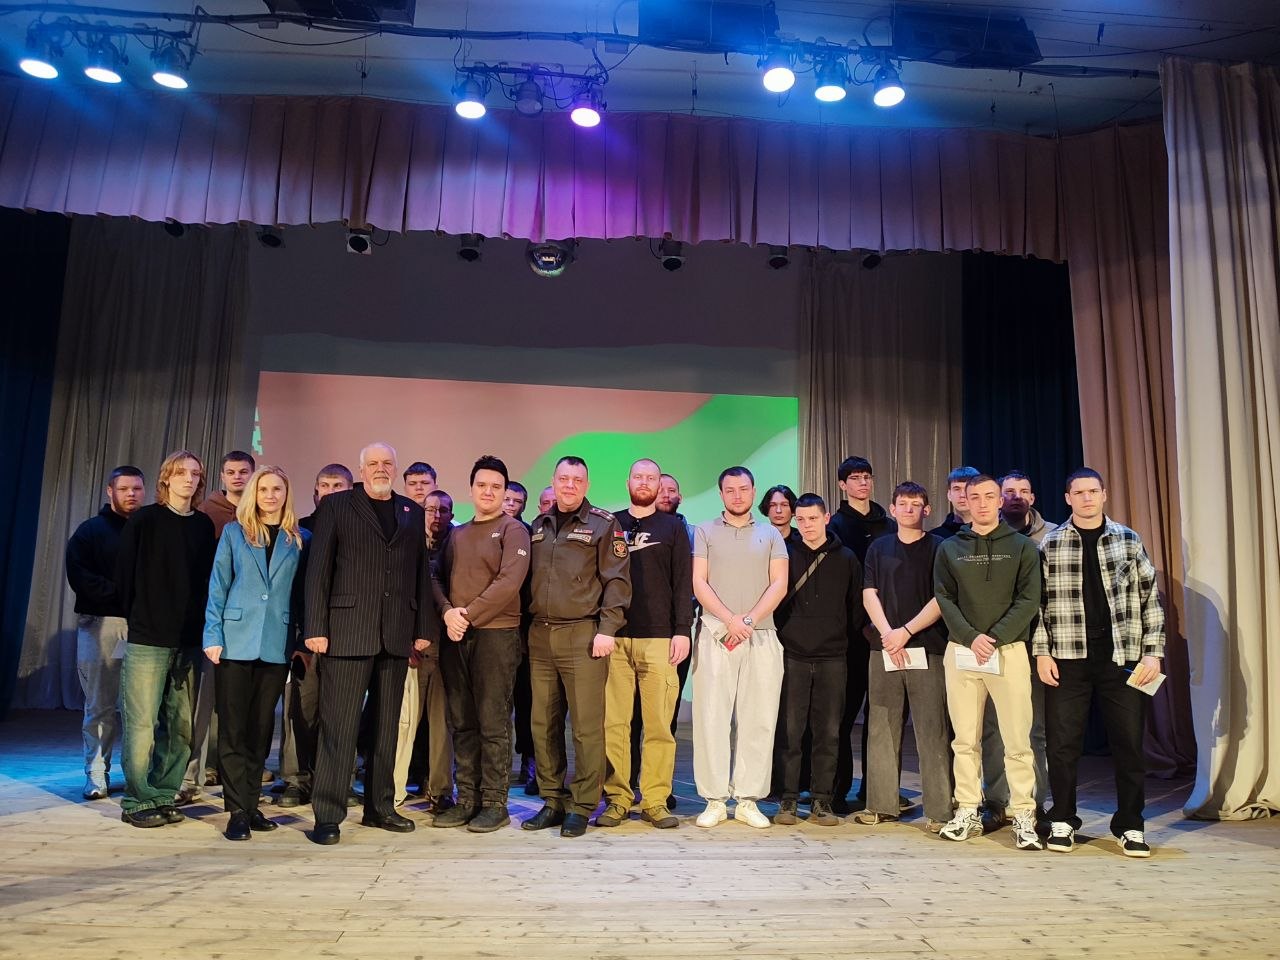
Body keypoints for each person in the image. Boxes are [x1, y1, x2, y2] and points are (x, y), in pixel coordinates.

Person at [303, 442, 438, 845]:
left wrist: (422, 625)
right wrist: (315, 626)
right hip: (347, 631)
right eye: (373, 463)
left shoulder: (410, 511)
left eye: (387, 463)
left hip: (395, 634)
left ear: (395, 470)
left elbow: (420, 572)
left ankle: (380, 808)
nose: (380, 469)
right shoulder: (337, 506)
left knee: (385, 729)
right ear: (361, 470)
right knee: (339, 728)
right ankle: (328, 815)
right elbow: (319, 570)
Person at [1034, 468, 1165, 857]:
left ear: (1104, 494)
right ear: (1067, 498)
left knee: (1129, 744)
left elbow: (1149, 598)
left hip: (1121, 658)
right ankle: (1063, 818)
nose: (1087, 498)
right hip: (1067, 657)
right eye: (1079, 492)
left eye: (1093, 491)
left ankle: (1130, 824)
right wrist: (1042, 651)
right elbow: (1037, 604)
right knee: (1062, 745)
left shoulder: (1128, 539)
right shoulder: (1051, 543)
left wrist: (1153, 651)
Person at [522, 456, 631, 838]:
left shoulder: (603, 524)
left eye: (577, 480)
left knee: (585, 728)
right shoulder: (538, 526)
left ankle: (582, 805)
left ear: (586, 485)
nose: (569, 485)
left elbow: (617, 580)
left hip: (584, 636)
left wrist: (608, 629)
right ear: (553, 482)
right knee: (542, 724)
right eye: (563, 479)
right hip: (541, 636)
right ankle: (553, 800)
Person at [933, 474, 1043, 850]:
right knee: (965, 739)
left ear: (999, 501)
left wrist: (993, 638)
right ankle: (967, 809)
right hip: (962, 652)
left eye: (989, 496)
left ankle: (1023, 813)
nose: (981, 503)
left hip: (1008, 651)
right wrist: (971, 637)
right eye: (974, 496)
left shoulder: (1023, 547)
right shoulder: (950, 547)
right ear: (964, 500)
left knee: (1017, 740)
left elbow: (1029, 600)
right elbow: (944, 597)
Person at [203, 466, 309, 841]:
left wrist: (300, 642)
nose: (270, 495)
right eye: (263, 489)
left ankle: (250, 804)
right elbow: (218, 585)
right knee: (233, 729)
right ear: (254, 493)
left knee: (261, 731)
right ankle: (237, 811)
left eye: (277, 489)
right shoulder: (235, 533)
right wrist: (212, 633)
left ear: (286, 494)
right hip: (234, 641)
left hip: (275, 644)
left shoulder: (299, 539)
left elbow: (301, 597)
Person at [115, 450, 217, 828]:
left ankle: (163, 793)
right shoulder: (144, 520)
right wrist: (140, 619)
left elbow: (206, 582)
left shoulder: (203, 525)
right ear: (166, 479)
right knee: (141, 724)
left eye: (195, 473)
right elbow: (124, 577)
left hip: (188, 640)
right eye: (181, 473)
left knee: (179, 726)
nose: (188, 479)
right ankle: (136, 800)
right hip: (148, 638)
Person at [431, 456, 531, 832]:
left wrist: (467, 615)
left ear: (505, 492)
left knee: (493, 722)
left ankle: (494, 803)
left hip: (496, 636)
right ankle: (467, 799)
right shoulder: (456, 534)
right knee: (462, 721)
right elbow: (434, 576)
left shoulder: (513, 530)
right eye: (482, 485)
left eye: (496, 487)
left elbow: (508, 583)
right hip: (456, 635)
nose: (488, 492)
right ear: (471, 489)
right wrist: (447, 613)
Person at [691, 466, 788, 829]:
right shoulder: (704, 531)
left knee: (759, 719)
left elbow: (779, 584)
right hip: (716, 632)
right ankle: (714, 799)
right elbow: (699, 582)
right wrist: (729, 619)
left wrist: (747, 620)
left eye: (743, 489)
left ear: (753, 491)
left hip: (760, 634)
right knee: (711, 717)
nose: (737, 495)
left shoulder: (770, 534)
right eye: (730, 490)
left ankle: (748, 799)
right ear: (721, 494)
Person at [599, 459, 692, 830]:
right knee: (615, 725)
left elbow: (682, 581)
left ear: (659, 485)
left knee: (658, 727)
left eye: (651, 478)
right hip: (616, 638)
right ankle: (618, 799)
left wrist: (682, 630)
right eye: (638, 476)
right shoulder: (611, 524)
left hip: (659, 639)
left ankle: (655, 800)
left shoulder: (673, 527)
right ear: (628, 482)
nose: (644, 482)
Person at [856, 482, 952, 832]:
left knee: (932, 729)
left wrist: (906, 632)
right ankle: (882, 805)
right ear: (893, 509)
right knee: (882, 726)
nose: (909, 509)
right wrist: (888, 635)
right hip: (884, 648)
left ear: (927, 510)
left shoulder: (940, 547)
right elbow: (869, 593)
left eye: (916, 504)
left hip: (927, 647)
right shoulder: (879, 548)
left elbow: (942, 598)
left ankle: (940, 810)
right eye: (902, 503)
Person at [773, 493, 862, 827]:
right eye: (801, 519)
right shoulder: (784, 554)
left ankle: (822, 800)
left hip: (833, 657)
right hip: (792, 655)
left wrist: (840, 641)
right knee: (790, 732)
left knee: (829, 732)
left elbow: (856, 609)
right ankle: (788, 799)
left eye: (813, 518)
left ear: (826, 518)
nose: (807, 525)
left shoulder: (847, 558)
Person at [980, 469, 1057, 824]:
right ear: (999, 498)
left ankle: (1035, 802)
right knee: (994, 728)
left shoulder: (1053, 535)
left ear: (1033, 498)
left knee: (1034, 728)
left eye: (1023, 491)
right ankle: (996, 801)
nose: (1016, 497)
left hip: (1036, 644)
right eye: (1009, 491)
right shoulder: (985, 536)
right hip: (995, 643)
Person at [66, 465, 146, 800]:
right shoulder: (90, 531)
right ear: (109, 491)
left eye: (137, 489)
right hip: (102, 623)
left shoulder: (149, 528)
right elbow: (80, 576)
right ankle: (97, 772)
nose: (131, 494)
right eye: (124, 489)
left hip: (143, 627)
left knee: (141, 707)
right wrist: (122, 596)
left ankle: (138, 773)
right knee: (100, 704)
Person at [181, 449, 257, 802]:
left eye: (244, 471)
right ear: (222, 476)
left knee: (239, 706)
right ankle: (191, 776)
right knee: (203, 703)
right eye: (231, 471)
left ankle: (233, 774)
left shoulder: (263, 513)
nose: (237, 477)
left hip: (249, 626)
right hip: (212, 618)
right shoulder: (207, 514)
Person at [279, 463, 352, 808]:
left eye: (338, 486)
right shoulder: (299, 531)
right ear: (315, 491)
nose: (331, 491)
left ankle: (337, 781)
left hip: (348, 639)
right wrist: (299, 639)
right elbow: (293, 590)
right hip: (306, 640)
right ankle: (296, 780)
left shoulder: (361, 530)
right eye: (325, 485)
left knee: (340, 715)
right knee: (299, 712)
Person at [827, 456, 894, 814]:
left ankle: (876, 791)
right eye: (855, 478)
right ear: (842, 485)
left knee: (882, 717)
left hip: (887, 633)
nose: (862, 483)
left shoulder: (889, 524)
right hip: (851, 635)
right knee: (842, 715)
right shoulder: (836, 526)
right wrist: (857, 624)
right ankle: (837, 791)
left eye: (867, 477)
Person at [400, 487, 456, 808]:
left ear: (451, 515)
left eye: (443, 510)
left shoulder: (458, 546)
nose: (436, 515)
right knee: (404, 723)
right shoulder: (408, 544)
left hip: (447, 650)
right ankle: (392, 788)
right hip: (414, 650)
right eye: (430, 509)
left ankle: (440, 791)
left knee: (441, 726)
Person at [933, 466, 979, 539]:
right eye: (957, 489)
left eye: (968, 488)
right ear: (949, 494)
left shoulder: (991, 534)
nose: (962, 495)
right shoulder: (935, 538)